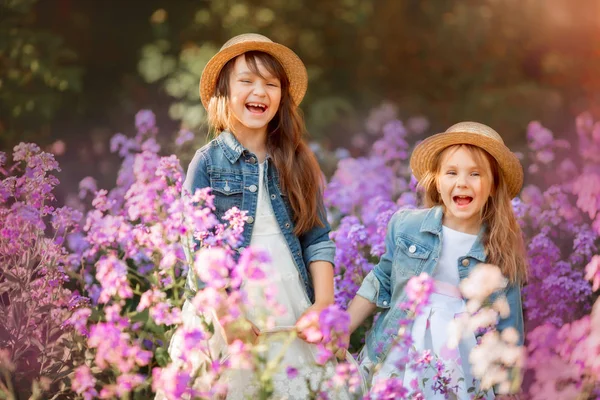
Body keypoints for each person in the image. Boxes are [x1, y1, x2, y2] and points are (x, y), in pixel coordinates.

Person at [169, 33, 348, 399]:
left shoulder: (298, 160)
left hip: (291, 300)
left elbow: (316, 238)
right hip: (229, 306)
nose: (260, 92)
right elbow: (199, 250)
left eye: (270, 83)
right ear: (224, 91)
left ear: (282, 95)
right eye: (247, 81)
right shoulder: (206, 162)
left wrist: (324, 306)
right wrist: (227, 316)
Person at [346, 121, 528, 398]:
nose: (462, 183)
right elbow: (381, 280)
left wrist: (506, 386)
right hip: (402, 347)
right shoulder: (407, 225)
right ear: (437, 181)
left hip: (463, 358)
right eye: (451, 172)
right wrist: (343, 328)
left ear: (493, 186)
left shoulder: (498, 249)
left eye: (475, 174)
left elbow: (508, 323)